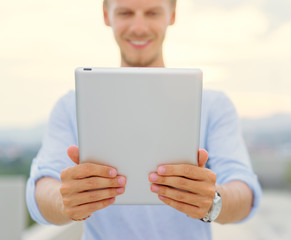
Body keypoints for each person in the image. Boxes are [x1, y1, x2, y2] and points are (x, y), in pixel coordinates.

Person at [26, 0, 262, 239]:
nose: (139, 27)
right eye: (126, 12)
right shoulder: (71, 106)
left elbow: (244, 191)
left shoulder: (213, 105)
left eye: (152, 12)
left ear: (172, 14)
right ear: (106, 15)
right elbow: (41, 187)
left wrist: (212, 200)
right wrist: (63, 200)